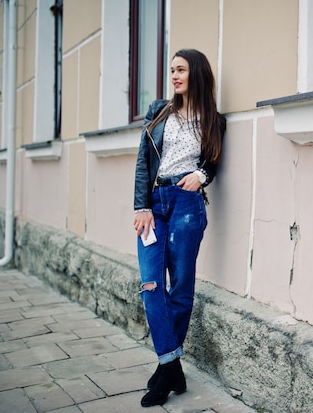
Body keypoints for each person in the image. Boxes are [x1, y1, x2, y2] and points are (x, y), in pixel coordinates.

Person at [133, 48, 225, 408]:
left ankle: (166, 370)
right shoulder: (159, 111)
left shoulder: (214, 120)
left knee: (181, 284)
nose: (174, 75)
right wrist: (141, 205)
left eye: (181, 70)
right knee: (151, 284)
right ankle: (170, 365)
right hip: (154, 204)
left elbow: (213, 163)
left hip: (187, 204)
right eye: (171, 69)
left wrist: (199, 176)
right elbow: (144, 160)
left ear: (196, 73)